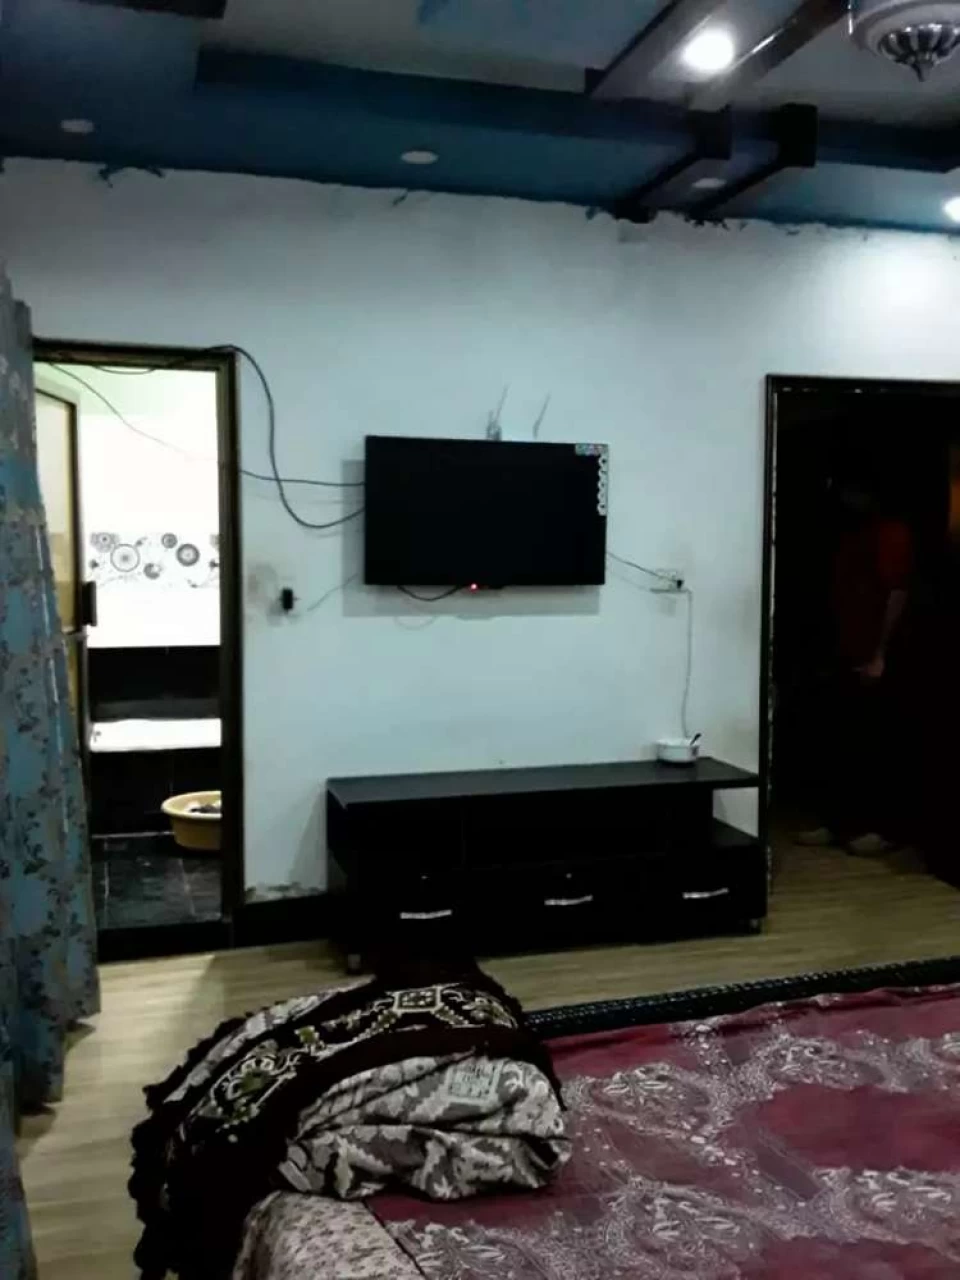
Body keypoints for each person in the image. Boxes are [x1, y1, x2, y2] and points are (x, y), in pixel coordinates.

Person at [800, 475, 912, 855]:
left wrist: (880, 653)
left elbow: (897, 592)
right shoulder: (850, 536)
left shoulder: (891, 534)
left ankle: (880, 828)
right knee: (840, 741)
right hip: (846, 651)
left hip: (874, 656)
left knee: (875, 744)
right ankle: (839, 822)